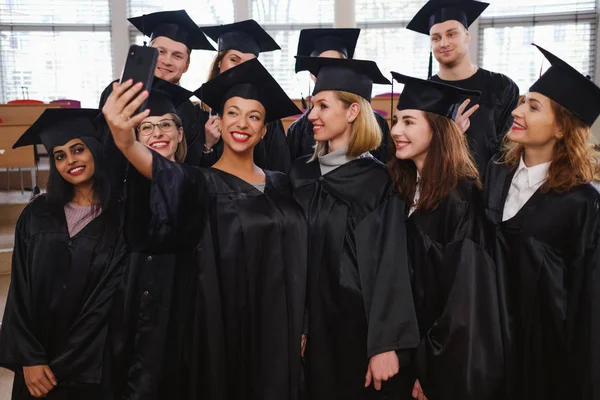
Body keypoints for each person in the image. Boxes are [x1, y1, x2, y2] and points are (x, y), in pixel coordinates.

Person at [102, 58, 307, 400]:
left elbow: (299, 255)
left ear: (264, 129)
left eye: (253, 116)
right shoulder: (198, 181)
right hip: (223, 330)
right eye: (233, 113)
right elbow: (156, 168)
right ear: (219, 121)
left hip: (278, 327)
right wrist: (125, 142)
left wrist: (302, 322)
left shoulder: (282, 183)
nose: (242, 123)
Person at [290, 56, 419, 400]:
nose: (312, 115)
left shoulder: (379, 182)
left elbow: (391, 265)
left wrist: (386, 344)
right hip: (314, 329)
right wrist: (299, 323)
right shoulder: (302, 176)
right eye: (312, 105)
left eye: (322, 106)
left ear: (351, 112)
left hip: (357, 330)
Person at [483, 44, 600, 400]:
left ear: (563, 128)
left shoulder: (582, 203)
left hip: (544, 360)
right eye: (521, 101)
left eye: (533, 106)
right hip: (485, 348)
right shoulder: (496, 174)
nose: (517, 111)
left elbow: (587, 306)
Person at [388, 73, 503, 400]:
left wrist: (432, 372)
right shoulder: (409, 187)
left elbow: (463, 304)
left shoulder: (459, 199)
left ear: (438, 130)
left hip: (436, 365)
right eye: (396, 121)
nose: (396, 130)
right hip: (406, 352)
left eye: (408, 122)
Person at [0, 109, 127, 400]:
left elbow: (110, 303)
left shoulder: (120, 217)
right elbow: (20, 290)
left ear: (96, 149)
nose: (70, 161)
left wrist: (71, 362)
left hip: (94, 368)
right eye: (59, 155)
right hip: (38, 370)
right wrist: (29, 358)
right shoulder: (37, 214)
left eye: (78, 149)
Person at [103, 79, 196, 400]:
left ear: (181, 133)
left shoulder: (201, 182)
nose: (158, 133)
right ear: (135, 135)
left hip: (189, 312)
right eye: (147, 127)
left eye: (166, 125)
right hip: (135, 314)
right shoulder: (123, 190)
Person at [407, 0, 519, 177]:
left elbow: (510, 149)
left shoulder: (501, 87)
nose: (443, 43)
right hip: (438, 190)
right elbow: (416, 153)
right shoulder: (421, 94)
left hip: (490, 192)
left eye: (451, 34)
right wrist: (449, 135)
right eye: (436, 38)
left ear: (467, 36)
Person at [98, 10, 215, 179]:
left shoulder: (188, 110)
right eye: (160, 51)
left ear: (186, 65)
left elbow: (190, 167)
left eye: (177, 56)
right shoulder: (118, 92)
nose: (167, 61)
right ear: (149, 51)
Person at [195, 19, 293, 172]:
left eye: (250, 63)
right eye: (234, 60)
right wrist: (207, 145)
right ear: (219, 62)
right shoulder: (200, 114)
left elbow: (281, 168)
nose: (242, 69)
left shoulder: (268, 118)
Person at [286, 28, 391, 164]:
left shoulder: (376, 123)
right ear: (312, 74)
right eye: (322, 65)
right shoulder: (298, 130)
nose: (330, 71)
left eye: (336, 64)